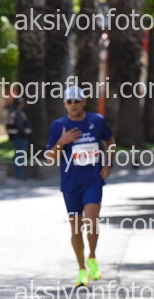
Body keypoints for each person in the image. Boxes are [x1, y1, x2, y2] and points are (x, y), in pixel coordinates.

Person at [45, 86, 115, 287]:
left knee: (91, 221)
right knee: (76, 228)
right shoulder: (59, 126)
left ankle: (92, 256)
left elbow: (110, 143)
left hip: (93, 180)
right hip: (71, 184)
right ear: (65, 104)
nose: (73, 105)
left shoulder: (97, 121)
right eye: (69, 101)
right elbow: (50, 158)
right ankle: (82, 269)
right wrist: (62, 141)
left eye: (77, 101)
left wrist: (108, 165)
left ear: (84, 102)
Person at [6, 97, 32, 180]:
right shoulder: (17, 113)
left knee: (19, 155)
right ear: (19, 104)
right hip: (20, 137)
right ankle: (20, 174)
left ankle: (19, 173)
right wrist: (26, 133)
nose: (23, 104)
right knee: (20, 156)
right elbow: (20, 127)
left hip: (17, 137)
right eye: (22, 103)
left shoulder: (13, 112)